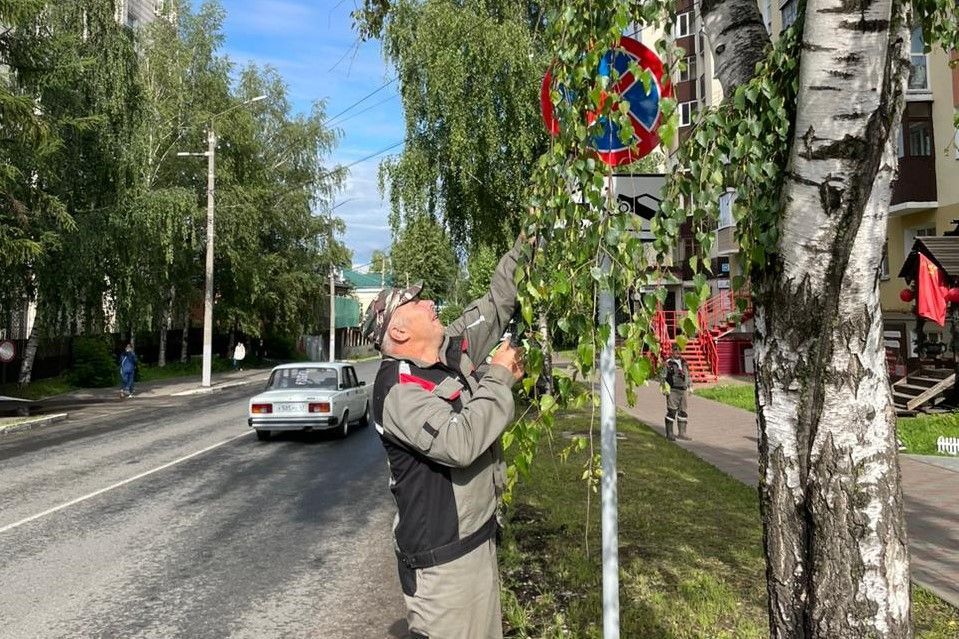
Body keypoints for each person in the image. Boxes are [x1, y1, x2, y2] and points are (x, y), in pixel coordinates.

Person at [361, 239, 525, 639]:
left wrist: (529, 239)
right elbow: (460, 442)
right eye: (415, 302)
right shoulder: (397, 390)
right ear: (398, 330)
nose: (429, 301)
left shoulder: (450, 348)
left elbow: (498, 301)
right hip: (444, 567)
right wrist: (500, 376)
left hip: (479, 541)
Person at [660, 343, 692, 441]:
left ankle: (682, 433)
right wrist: (664, 388)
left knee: (683, 412)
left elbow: (688, 375)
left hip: (683, 390)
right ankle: (669, 433)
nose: (678, 352)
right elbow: (662, 376)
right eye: (675, 350)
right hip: (673, 390)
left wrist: (690, 386)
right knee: (672, 411)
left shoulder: (684, 362)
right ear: (672, 351)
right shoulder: (668, 363)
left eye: (679, 350)